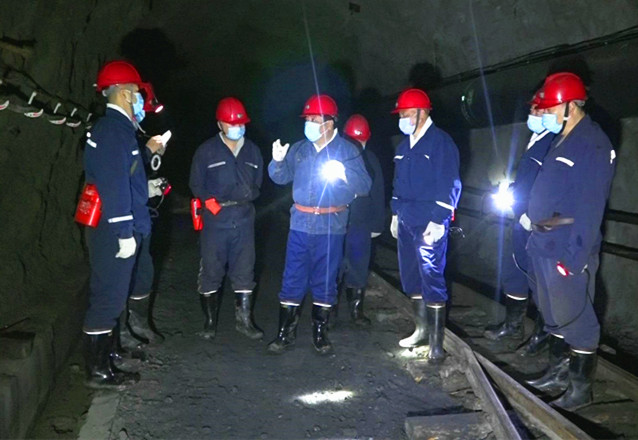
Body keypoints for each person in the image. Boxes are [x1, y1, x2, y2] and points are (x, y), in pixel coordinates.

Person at [523, 72, 616, 410]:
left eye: (551, 107)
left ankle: (580, 390)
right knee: (553, 313)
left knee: (577, 318)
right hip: (544, 243)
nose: (546, 113)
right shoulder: (561, 138)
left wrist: (574, 259)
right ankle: (557, 373)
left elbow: (589, 209)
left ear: (570, 106)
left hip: (566, 248)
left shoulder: (593, 143)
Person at [267, 94, 371, 355]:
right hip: (300, 223)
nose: (309, 124)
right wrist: (277, 162)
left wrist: (345, 174)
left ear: (330, 123)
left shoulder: (348, 151)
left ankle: (320, 334)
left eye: (315, 119)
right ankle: (285, 333)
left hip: (330, 224)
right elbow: (281, 178)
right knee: (292, 276)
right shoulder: (299, 150)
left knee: (325, 279)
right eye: (308, 119)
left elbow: (364, 186)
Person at [82, 60, 159, 389]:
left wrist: (146, 190)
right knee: (108, 297)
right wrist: (124, 232)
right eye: (137, 93)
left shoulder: (118, 130)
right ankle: (97, 371)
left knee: (114, 293)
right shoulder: (114, 131)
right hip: (113, 230)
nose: (141, 100)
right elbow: (113, 186)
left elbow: (125, 179)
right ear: (126, 94)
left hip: (116, 225)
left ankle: (111, 354)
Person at [390, 88, 461, 363]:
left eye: (407, 114)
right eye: (401, 115)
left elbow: (450, 182)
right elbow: (397, 183)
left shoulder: (440, 142)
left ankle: (436, 344)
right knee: (411, 275)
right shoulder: (403, 146)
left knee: (431, 275)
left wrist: (439, 218)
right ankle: (420, 330)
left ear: (422, 112)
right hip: (407, 218)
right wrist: (395, 213)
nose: (403, 120)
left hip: (428, 221)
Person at [483, 91, 553, 357]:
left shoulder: (554, 142)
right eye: (532, 109)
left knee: (540, 279)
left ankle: (542, 334)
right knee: (514, 271)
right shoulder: (535, 139)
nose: (532, 114)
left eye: (538, 109)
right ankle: (513, 325)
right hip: (519, 218)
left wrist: (530, 214)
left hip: (535, 222)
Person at [189, 97, 264, 340]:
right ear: (220, 124)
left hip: (244, 218)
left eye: (240, 124)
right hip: (215, 219)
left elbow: (259, 183)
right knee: (211, 269)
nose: (236, 128)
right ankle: (209, 323)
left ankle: (244, 322)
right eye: (231, 124)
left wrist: (248, 196)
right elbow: (196, 183)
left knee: (245, 269)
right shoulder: (206, 151)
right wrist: (209, 203)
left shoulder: (253, 151)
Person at [340, 114, 385, 325]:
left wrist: (377, 224)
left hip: (360, 223)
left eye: (361, 141)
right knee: (334, 266)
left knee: (358, 266)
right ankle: (328, 309)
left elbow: (378, 193)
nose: (358, 145)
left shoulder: (371, 160)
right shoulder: (335, 158)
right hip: (337, 221)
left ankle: (356, 310)